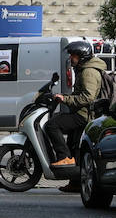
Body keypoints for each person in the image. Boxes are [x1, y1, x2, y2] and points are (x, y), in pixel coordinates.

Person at [43, 40, 107, 191]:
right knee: (74, 146)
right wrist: (63, 97)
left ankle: (64, 158)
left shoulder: (88, 72)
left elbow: (88, 97)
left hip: (85, 114)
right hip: (80, 112)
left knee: (52, 125)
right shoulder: (83, 69)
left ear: (82, 56)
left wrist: (66, 99)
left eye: (73, 56)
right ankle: (76, 183)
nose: (71, 58)